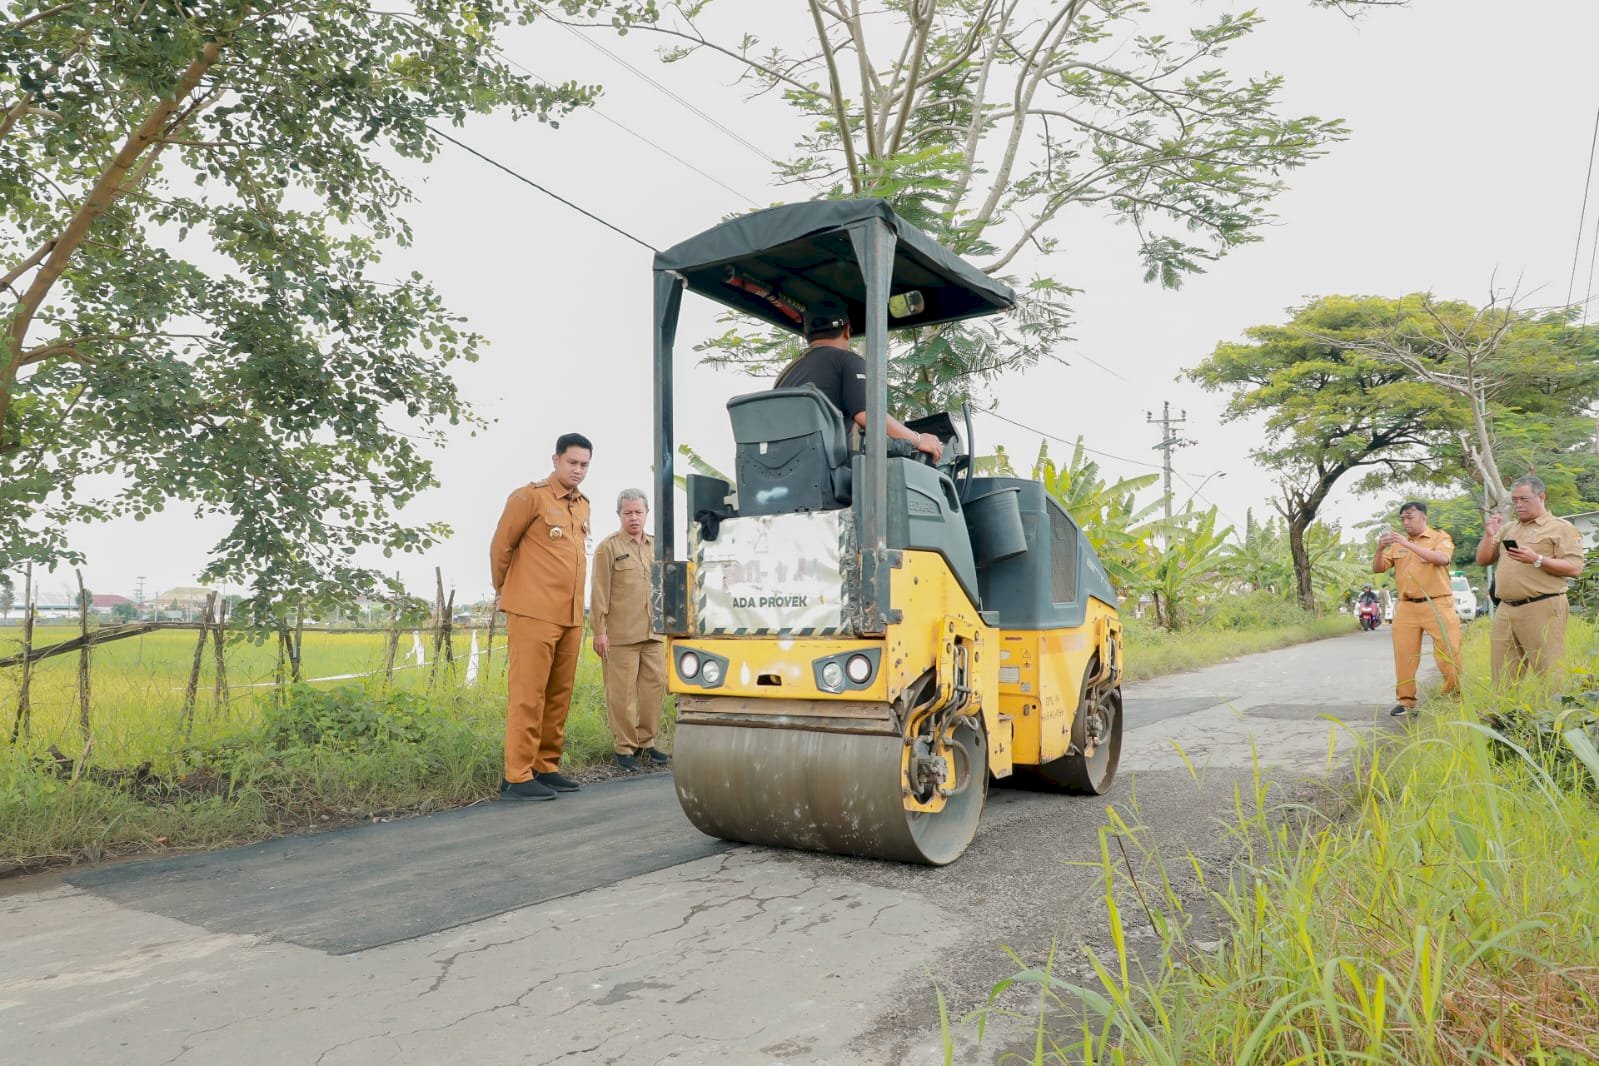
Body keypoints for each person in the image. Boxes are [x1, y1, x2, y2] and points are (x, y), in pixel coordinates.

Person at [489, 433, 593, 801]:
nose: (577, 470)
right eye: (572, 463)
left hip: (570, 614)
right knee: (528, 694)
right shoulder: (529, 497)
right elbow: (501, 546)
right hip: (533, 610)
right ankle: (517, 775)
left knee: (559, 694)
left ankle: (545, 766)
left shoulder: (583, 506)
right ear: (556, 459)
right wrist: (507, 592)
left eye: (583, 464)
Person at [775, 297, 943, 462]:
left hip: (777, 469)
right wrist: (918, 439)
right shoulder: (847, 361)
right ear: (847, 330)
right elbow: (868, 416)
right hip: (824, 473)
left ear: (806, 335)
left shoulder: (786, 374)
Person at [1475, 475, 1585, 685]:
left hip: (1542, 606)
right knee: (1503, 674)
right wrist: (1489, 535)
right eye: (1515, 500)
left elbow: (1575, 568)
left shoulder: (1561, 528)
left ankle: (1551, 716)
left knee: (1549, 670)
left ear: (1541, 497)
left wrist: (1537, 559)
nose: (1518, 505)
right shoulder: (1509, 529)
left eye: (1524, 499)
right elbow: (1483, 560)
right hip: (1506, 609)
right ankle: (1505, 716)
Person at [591, 488, 669, 771]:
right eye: (628, 513)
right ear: (619, 514)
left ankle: (646, 743)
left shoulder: (656, 545)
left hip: (653, 634)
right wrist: (599, 631)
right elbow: (599, 593)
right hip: (620, 636)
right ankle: (624, 748)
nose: (633, 517)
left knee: (654, 690)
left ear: (646, 513)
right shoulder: (607, 547)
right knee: (621, 695)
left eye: (638, 512)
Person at [1373, 501, 1461, 718]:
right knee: (1404, 655)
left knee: (1448, 652)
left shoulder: (1440, 538)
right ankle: (1406, 701)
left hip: (1437, 603)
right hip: (1406, 606)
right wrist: (1380, 548)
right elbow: (1379, 568)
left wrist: (1408, 544)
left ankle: (1454, 697)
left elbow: (1442, 559)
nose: (1405, 522)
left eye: (1410, 517)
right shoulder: (1396, 544)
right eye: (1402, 518)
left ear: (1423, 517)